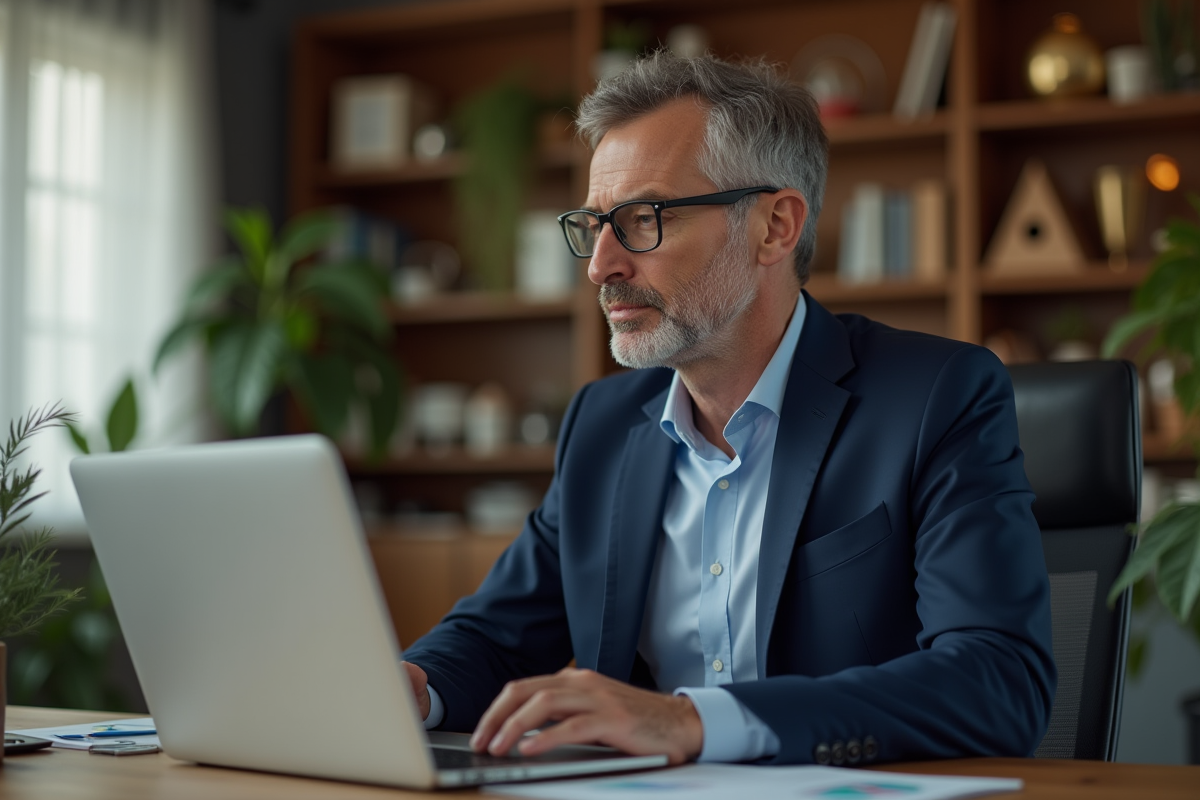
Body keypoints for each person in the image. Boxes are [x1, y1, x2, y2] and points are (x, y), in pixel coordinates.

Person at [401, 51, 1056, 766]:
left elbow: (998, 681)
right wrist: (410, 686)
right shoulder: (602, 424)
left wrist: (694, 723)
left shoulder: (937, 396)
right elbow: (497, 636)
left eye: (644, 218)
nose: (602, 265)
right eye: (594, 226)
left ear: (775, 227)